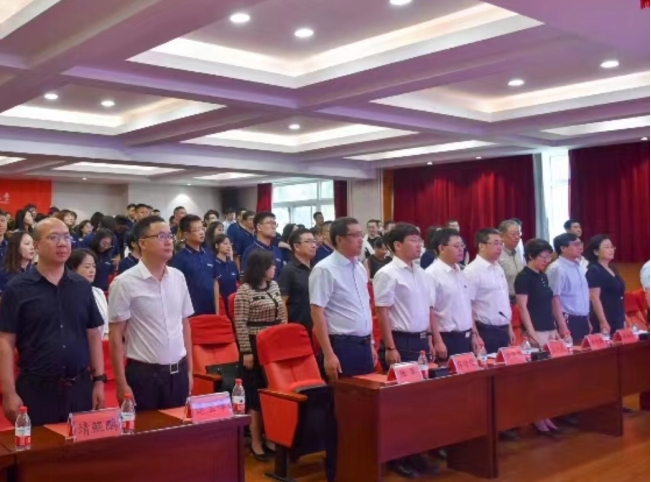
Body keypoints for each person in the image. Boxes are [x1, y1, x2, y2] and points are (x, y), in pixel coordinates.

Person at [0, 218, 105, 426]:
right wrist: (8, 392)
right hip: (36, 390)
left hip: (79, 388)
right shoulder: (17, 289)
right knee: (39, 446)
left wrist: (99, 381)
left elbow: (93, 335)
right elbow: (5, 342)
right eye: (53, 237)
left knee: (81, 446)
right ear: (37, 245)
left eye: (66, 237)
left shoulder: (82, 286)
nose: (62, 243)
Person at [309, 217, 377, 482]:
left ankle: (360, 467)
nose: (361, 239)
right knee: (340, 413)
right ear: (339, 239)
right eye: (355, 235)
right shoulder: (324, 269)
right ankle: (337, 472)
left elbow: (365, 309)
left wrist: (371, 344)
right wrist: (328, 353)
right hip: (341, 347)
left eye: (361, 234)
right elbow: (318, 313)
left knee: (364, 411)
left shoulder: (359, 267)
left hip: (363, 345)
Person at [374, 223, 440, 478]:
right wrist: (390, 346)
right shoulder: (388, 273)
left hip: (422, 341)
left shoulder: (422, 273)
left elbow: (428, 310)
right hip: (401, 343)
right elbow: (382, 312)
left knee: (421, 403)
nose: (419, 244)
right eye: (413, 239)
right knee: (401, 404)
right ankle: (398, 456)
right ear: (397, 245)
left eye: (419, 239)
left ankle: (417, 452)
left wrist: (431, 339)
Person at [108, 215, 194, 411]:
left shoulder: (178, 277)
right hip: (144, 376)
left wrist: (190, 371)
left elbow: (185, 326)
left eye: (170, 236)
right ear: (142, 243)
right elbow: (115, 336)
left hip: (178, 373)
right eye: (161, 236)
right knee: (146, 430)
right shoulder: (124, 283)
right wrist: (121, 383)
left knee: (179, 429)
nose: (169, 241)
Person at [234, 250, 287, 461]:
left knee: (271, 392)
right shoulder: (244, 291)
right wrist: (246, 351)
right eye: (271, 265)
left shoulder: (274, 286)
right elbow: (239, 323)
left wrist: (282, 339)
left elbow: (282, 314)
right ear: (261, 268)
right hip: (254, 345)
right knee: (255, 395)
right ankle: (255, 441)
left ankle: (270, 436)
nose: (275, 268)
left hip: (273, 344)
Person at [514, 238, 560, 436]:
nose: (546, 261)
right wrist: (531, 333)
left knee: (549, 378)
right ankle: (536, 417)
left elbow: (548, 304)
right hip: (535, 332)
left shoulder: (543, 276)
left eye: (549, 257)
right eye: (543, 257)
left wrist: (554, 328)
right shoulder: (523, 277)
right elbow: (522, 307)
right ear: (531, 256)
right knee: (537, 378)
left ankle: (546, 414)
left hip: (548, 329)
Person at [425, 228, 484, 357]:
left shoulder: (462, 272)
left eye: (462, 245)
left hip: (467, 337)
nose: (461, 249)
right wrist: (438, 341)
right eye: (456, 246)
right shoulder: (431, 274)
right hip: (447, 338)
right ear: (441, 248)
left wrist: (474, 334)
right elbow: (430, 311)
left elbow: (468, 306)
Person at [464, 228, 514, 354]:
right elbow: (467, 306)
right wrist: (475, 335)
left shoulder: (498, 268)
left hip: (503, 329)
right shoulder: (472, 271)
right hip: (485, 331)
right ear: (482, 246)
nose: (500, 247)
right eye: (496, 243)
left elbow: (503, 300)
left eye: (501, 243)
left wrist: (509, 327)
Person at [170, 215, 219, 316]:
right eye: (197, 230)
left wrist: (217, 310)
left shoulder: (209, 254)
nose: (202, 232)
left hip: (211, 311)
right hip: (191, 313)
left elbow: (215, 281)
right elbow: (175, 289)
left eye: (202, 228)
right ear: (186, 234)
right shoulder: (179, 259)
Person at [547, 233, 586, 344]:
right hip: (568, 319)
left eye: (580, 243)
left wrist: (587, 319)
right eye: (575, 244)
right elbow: (554, 299)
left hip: (582, 318)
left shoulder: (578, 266)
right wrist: (562, 325)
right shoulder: (557, 268)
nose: (580, 247)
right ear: (563, 248)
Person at [279, 228, 317, 336]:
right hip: (298, 329)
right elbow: (282, 302)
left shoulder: (317, 268)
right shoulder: (288, 270)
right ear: (296, 246)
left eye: (314, 241)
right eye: (308, 242)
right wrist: (285, 328)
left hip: (318, 327)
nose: (313, 245)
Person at [584, 235, 625, 336]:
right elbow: (594, 298)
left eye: (612, 247)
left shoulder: (612, 269)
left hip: (617, 317)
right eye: (607, 247)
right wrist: (603, 321)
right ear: (596, 252)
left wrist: (624, 319)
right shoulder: (594, 270)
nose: (611, 250)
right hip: (605, 319)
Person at [67, 249, 109, 337]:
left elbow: (106, 325)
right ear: (73, 269)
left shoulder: (98, 292)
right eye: (87, 267)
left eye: (94, 266)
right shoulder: (67, 294)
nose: (92, 270)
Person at [241, 212, 284, 279]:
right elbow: (246, 278)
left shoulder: (277, 251)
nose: (274, 227)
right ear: (259, 227)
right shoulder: (250, 251)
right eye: (269, 223)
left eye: (274, 224)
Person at [498, 219, 525, 303]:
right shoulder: (497, 255)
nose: (517, 237)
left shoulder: (519, 253)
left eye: (518, 234)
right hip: (505, 299)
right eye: (513, 234)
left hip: (522, 298)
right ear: (501, 236)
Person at [0, 231, 35, 296]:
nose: (32, 247)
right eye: (27, 244)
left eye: (33, 244)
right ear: (16, 247)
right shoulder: (4, 275)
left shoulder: (36, 272)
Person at [212, 234, 238, 318]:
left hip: (233, 303)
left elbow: (237, 281)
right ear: (217, 245)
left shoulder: (232, 263)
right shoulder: (213, 264)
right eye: (225, 243)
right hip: (221, 303)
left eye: (229, 244)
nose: (228, 246)